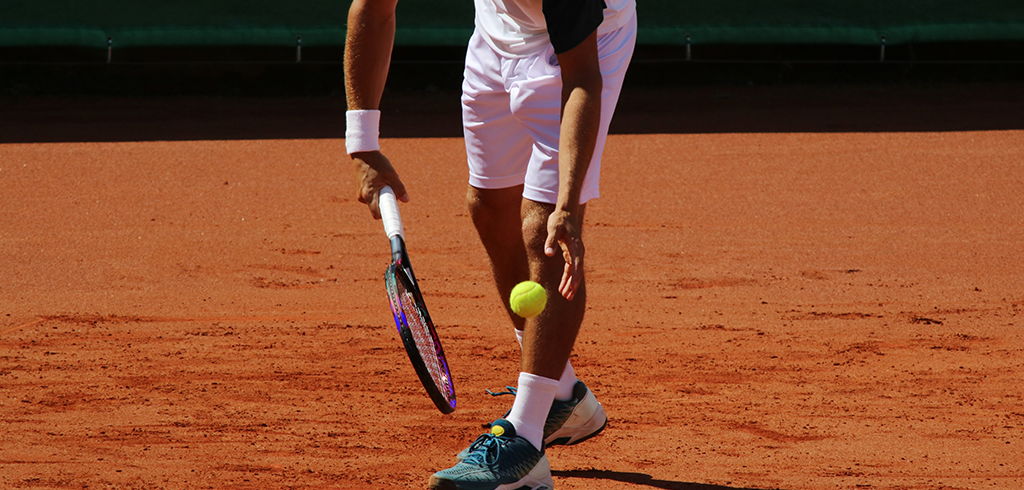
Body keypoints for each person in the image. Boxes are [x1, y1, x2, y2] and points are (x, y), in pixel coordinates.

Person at [345, 0, 636, 488]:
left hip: (585, 49)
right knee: (488, 206)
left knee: (541, 228)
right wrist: (363, 144)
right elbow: (373, 8)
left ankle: (524, 442)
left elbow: (582, 79)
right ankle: (562, 396)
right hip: (497, 33)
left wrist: (567, 204)